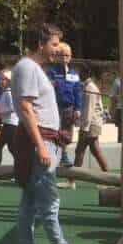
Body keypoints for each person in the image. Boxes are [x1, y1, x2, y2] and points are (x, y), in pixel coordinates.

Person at [12, 22, 68, 244]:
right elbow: (26, 108)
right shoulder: (28, 67)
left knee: (31, 199)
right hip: (40, 140)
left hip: (45, 139)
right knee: (49, 199)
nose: (58, 49)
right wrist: (41, 146)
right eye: (54, 44)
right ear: (40, 44)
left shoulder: (34, 69)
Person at [47, 41, 81, 170]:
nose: (64, 58)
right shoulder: (52, 71)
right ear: (57, 56)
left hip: (69, 107)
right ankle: (53, 156)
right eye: (61, 55)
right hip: (55, 107)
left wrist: (78, 108)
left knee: (67, 133)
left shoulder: (73, 73)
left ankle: (64, 155)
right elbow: (48, 88)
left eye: (67, 55)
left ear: (70, 57)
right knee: (55, 132)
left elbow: (77, 91)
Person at [75, 73, 110, 172]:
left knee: (80, 150)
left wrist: (84, 128)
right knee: (93, 150)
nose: (78, 74)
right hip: (93, 123)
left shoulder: (90, 88)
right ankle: (107, 173)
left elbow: (89, 110)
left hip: (91, 124)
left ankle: (72, 178)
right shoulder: (88, 86)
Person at [0, 69, 18, 166]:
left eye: (3, 79)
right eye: (0, 79)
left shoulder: (9, 93)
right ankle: (20, 166)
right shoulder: (5, 93)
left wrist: (0, 111)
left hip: (11, 124)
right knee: (11, 148)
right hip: (8, 124)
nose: (1, 81)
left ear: (9, 80)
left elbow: (13, 108)